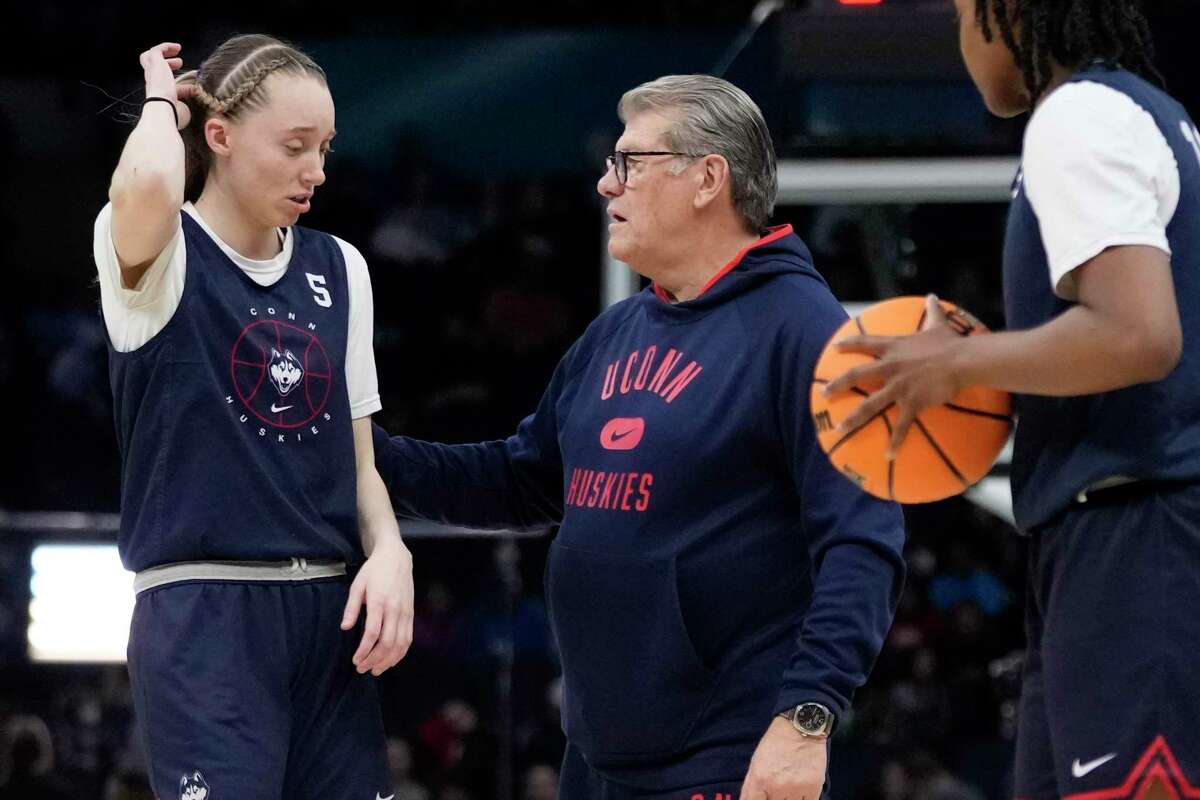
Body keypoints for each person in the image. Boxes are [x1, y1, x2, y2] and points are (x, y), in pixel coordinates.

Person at [373, 74, 906, 799]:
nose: (604, 184)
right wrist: (363, 458)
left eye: (629, 162)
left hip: (725, 762)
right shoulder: (618, 330)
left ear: (707, 178)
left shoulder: (807, 333)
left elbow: (863, 543)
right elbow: (525, 481)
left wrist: (805, 719)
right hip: (595, 759)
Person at [824, 1, 1200, 795]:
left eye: (965, 9)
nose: (961, 34)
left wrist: (959, 368)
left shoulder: (1080, 114)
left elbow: (1140, 335)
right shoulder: (1140, 113)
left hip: (1141, 538)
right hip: (1118, 535)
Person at [93, 35, 414, 799]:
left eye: (326, 148)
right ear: (219, 135)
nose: (318, 172)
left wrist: (391, 550)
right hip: (204, 612)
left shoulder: (342, 268)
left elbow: (357, 459)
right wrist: (162, 101)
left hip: (328, 618)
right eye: (296, 147)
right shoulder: (156, 250)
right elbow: (143, 188)